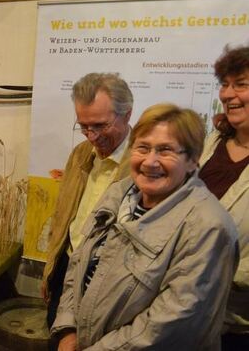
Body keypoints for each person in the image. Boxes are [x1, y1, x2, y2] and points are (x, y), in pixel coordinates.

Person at [51, 104, 238, 350]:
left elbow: (172, 324)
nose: (150, 161)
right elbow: (79, 261)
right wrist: (68, 330)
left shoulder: (207, 226)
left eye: (166, 150)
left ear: (193, 160)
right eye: (143, 147)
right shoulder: (120, 192)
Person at [41, 73, 134, 343]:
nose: (92, 136)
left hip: (106, 282)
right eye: (84, 126)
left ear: (127, 114)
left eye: (100, 126)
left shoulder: (141, 166)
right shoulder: (81, 153)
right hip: (67, 269)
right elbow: (63, 215)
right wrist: (51, 270)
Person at [199, 44, 249, 350]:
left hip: (238, 326)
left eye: (241, 85)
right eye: (225, 85)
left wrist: (211, 274)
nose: (228, 95)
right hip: (190, 315)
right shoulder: (213, 139)